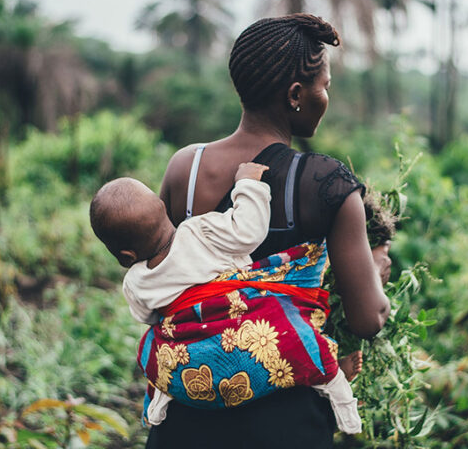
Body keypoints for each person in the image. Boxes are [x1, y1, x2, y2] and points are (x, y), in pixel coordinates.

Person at [147, 13, 390, 448]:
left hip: (188, 408)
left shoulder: (186, 167)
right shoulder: (327, 183)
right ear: (297, 94)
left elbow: (160, 277)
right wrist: (375, 266)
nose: (326, 97)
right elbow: (367, 319)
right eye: (325, 86)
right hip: (287, 422)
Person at [88, 163, 364, 432]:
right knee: (295, 336)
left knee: (152, 347)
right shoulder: (199, 231)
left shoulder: (136, 281)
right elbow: (248, 231)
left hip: (193, 359)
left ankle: (161, 398)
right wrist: (247, 184)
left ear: (125, 256)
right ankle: (337, 390)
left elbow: (149, 317)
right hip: (242, 329)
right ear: (163, 208)